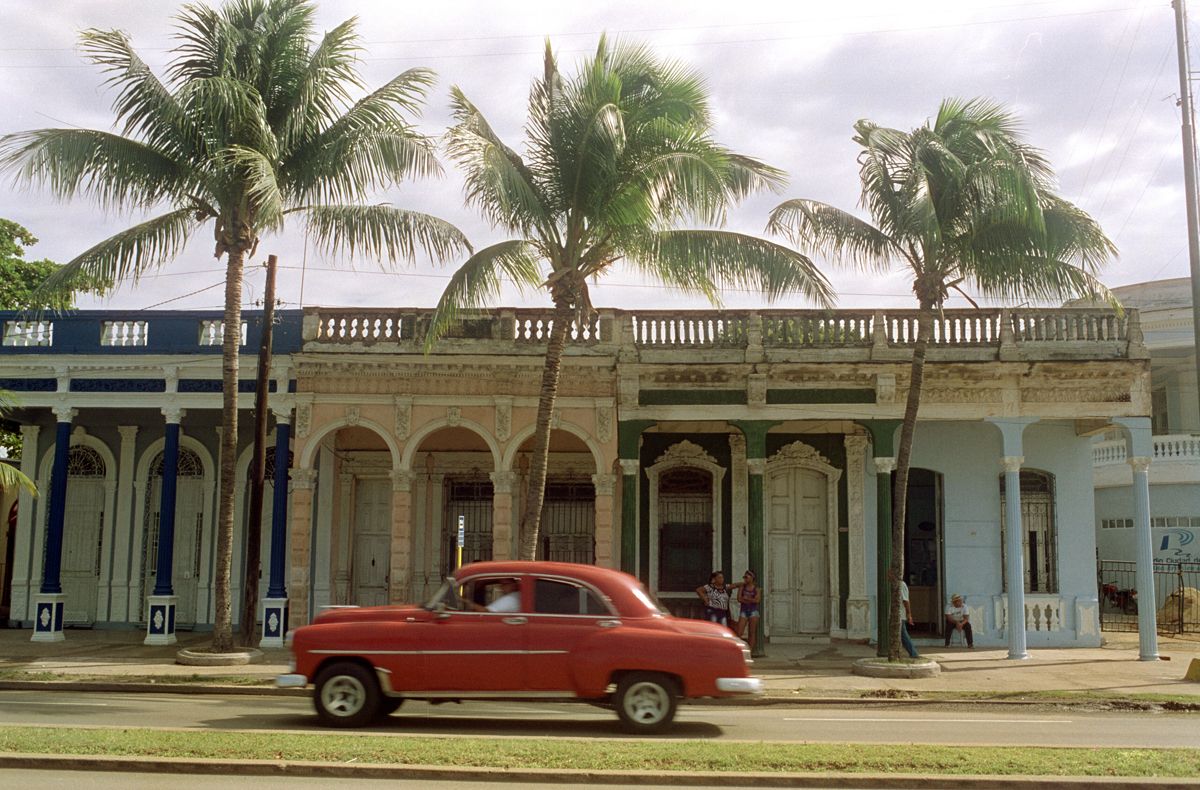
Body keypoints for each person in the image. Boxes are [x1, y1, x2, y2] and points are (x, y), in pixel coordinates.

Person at [729, 570, 762, 653]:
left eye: (746, 577)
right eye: (744, 577)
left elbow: (757, 600)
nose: (745, 579)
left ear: (752, 578)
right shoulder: (742, 587)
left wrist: (747, 599)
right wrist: (750, 600)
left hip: (753, 611)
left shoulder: (756, 588)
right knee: (739, 631)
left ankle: (750, 650)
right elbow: (739, 599)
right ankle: (737, 648)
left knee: (752, 632)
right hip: (744, 610)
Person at [898, 578, 919, 658]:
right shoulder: (893, 585)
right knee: (901, 635)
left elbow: (906, 601)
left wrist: (909, 614)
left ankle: (913, 653)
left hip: (900, 615)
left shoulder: (901, 585)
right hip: (895, 614)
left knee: (903, 635)